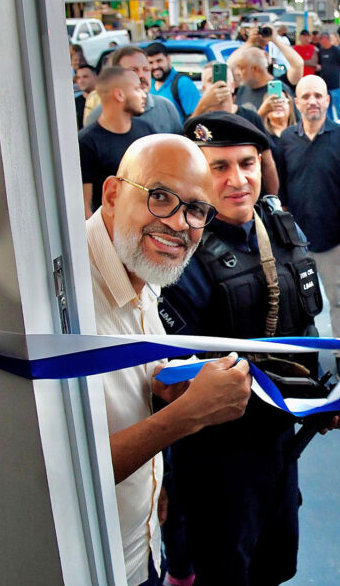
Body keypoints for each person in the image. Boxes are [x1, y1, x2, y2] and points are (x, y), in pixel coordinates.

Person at [158, 111, 340, 586]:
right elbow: (170, 380)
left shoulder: (279, 228)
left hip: (281, 447)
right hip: (218, 462)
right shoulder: (178, 253)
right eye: (219, 167)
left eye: (247, 163)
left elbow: (306, 323)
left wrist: (325, 391)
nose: (238, 179)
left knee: (275, 567)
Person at [88, 133, 252, 586]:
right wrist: (185, 417)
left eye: (196, 209)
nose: (179, 223)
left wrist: (163, 380)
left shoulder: (141, 266)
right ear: (112, 194)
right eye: (160, 197)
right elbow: (68, 473)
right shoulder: (68, 306)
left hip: (140, 547)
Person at [278, 76, 340, 374]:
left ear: (328, 100)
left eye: (318, 95)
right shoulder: (285, 140)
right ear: (296, 102)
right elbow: (281, 194)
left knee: (339, 302)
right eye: (306, 96)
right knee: (297, 306)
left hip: (335, 238)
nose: (312, 101)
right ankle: (304, 362)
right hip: (296, 244)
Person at [192, 63, 280, 197]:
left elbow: (268, 164)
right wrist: (202, 106)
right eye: (211, 81)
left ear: (233, 86)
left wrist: (273, 202)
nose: (218, 85)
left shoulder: (250, 117)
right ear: (204, 89)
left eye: (223, 80)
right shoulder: (198, 121)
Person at [79, 67, 152, 216]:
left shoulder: (146, 131)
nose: (144, 94)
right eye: (137, 89)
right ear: (119, 94)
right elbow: (84, 206)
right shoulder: (86, 143)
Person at [86, 46, 184, 135]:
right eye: (133, 70)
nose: (142, 75)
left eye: (146, 69)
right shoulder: (98, 117)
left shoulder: (166, 107)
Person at [145, 42, 201, 120]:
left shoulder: (183, 83)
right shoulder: (148, 85)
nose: (155, 66)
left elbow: (196, 118)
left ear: (168, 59)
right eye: (151, 63)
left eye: (159, 61)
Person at [231, 47, 296, 114]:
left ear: (255, 69)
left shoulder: (280, 91)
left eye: (241, 68)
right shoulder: (243, 89)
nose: (238, 73)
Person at [315, 32, 340, 120]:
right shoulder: (321, 51)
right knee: (327, 107)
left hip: (335, 83)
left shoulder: (336, 50)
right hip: (325, 84)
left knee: (338, 106)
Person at [74, 64, 97, 129]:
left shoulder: (104, 99)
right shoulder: (74, 103)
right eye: (78, 78)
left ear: (96, 77)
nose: (81, 81)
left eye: (85, 77)